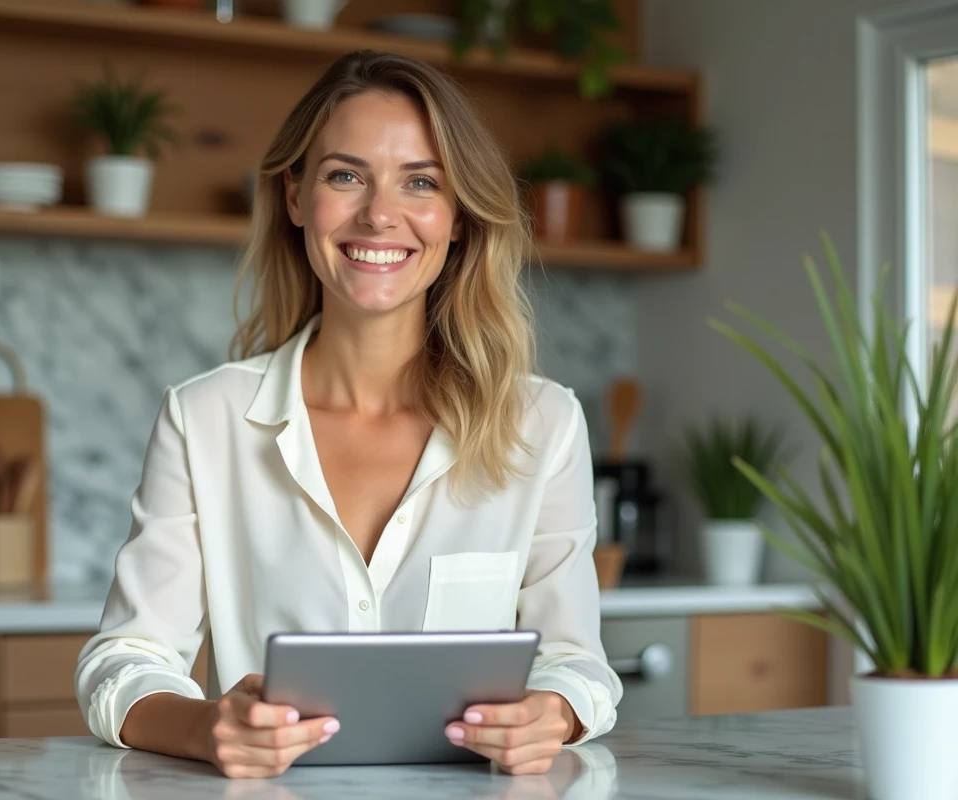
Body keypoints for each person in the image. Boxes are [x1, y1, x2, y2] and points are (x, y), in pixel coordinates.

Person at [75, 48, 623, 779]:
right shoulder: (204, 419)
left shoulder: (542, 424)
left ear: (458, 217)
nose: (380, 214)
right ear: (296, 196)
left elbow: (576, 663)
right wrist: (209, 728)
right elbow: (126, 658)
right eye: (345, 176)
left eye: (420, 182)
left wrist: (550, 714)